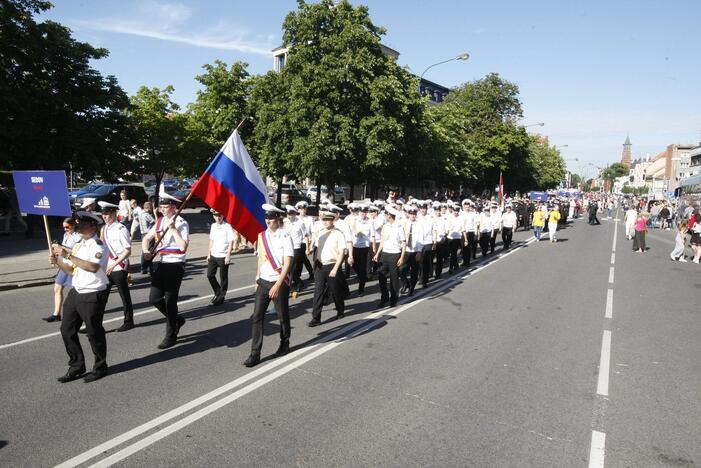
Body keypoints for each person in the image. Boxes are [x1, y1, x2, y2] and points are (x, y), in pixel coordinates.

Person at [51, 211, 110, 383]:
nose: (77, 225)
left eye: (81, 223)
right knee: (66, 330)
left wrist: (68, 255)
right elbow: (70, 270)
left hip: (93, 292)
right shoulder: (78, 245)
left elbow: (92, 267)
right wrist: (58, 261)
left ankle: (100, 367)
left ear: (92, 226)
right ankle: (77, 365)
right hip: (77, 291)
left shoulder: (98, 246)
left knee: (93, 331)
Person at [245, 204, 293, 367]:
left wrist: (277, 285)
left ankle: (284, 343)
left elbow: (287, 263)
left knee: (282, 316)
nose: (268, 220)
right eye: (266, 218)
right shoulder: (261, 236)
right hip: (264, 282)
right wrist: (257, 279)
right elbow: (261, 259)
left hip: (279, 282)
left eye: (271, 218)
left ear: (278, 219)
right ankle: (255, 353)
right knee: (257, 317)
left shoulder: (285, 236)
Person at [141, 192, 189, 349]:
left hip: (175, 265)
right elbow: (147, 238)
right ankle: (176, 319)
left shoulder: (182, 223)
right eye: (160, 206)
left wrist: (174, 229)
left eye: (165, 206)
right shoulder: (160, 221)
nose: (162, 209)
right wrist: (146, 251)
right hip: (162, 263)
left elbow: (183, 247)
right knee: (154, 298)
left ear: (174, 207)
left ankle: (171, 334)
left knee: (170, 301)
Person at [97, 201, 135, 332]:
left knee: (124, 296)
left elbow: (127, 250)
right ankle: (96, 323)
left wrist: (114, 263)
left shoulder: (121, 228)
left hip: (118, 266)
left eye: (107, 214)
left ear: (114, 213)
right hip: (107, 267)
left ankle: (129, 321)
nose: (104, 216)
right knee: (101, 298)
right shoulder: (104, 228)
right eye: (103, 214)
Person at [308, 209, 346, 326]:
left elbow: (341, 252)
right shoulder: (320, 232)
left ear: (332, 220)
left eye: (328, 220)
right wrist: (310, 249)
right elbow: (316, 246)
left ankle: (340, 310)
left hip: (332, 265)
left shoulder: (338, 233)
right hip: (320, 265)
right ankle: (316, 318)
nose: (325, 222)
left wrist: (335, 268)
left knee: (335, 291)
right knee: (318, 292)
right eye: (323, 219)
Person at [44, 217, 81, 322]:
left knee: (77, 291)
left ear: (73, 225)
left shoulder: (78, 236)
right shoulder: (66, 235)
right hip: (64, 265)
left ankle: (80, 311)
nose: (65, 229)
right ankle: (56, 314)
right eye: (63, 227)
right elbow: (63, 250)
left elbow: (76, 251)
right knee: (57, 288)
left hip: (74, 266)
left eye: (67, 227)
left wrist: (61, 247)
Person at [373, 206, 406, 308]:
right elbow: (382, 241)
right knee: (381, 276)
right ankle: (385, 297)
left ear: (389, 216)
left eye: (385, 215)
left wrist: (401, 257)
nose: (384, 216)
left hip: (394, 254)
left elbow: (404, 243)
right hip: (385, 254)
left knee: (394, 278)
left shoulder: (399, 227)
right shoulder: (385, 226)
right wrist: (378, 253)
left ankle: (393, 299)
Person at [207, 209, 235, 306]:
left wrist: (228, 256)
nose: (218, 218)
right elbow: (211, 240)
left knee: (223, 278)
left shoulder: (227, 227)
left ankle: (221, 297)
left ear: (223, 216)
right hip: (214, 254)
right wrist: (208, 253)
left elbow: (231, 242)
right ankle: (218, 291)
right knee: (210, 275)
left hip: (223, 256)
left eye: (220, 216)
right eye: (216, 216)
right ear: (213, 216)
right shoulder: (213, 226)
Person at [284, 205, 308, 293]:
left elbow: (305, 235)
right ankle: (299, 282)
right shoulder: (284, 222)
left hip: (296, 247)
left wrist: (307, 248)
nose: (289, 216)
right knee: (288, 268)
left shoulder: (300, 223)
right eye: (288, 214)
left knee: (290, 267)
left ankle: (290, 286)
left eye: (291, 214)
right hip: (287, 247)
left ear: (295, 214)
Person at [350, 204, 374, 296]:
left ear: (366, 213)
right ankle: (361, 276)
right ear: (359, 212)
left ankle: (361, 289)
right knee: (354, 265)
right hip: (356, 246)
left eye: (364, 212)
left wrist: (373, 247)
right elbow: (350, 233)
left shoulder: (370, 221)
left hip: (366, 247)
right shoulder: (354, 221)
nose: (363, 214)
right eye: (361, 212)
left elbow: (372, 235)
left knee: (363, 268)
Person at [400, 205, 423, 296]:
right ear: (408, 214)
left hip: (415, 251)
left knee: (414, 271)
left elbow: (421, 239)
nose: (413, 216)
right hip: (405, 250)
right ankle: (406, 283)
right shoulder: (404, 223)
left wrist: (419, 251)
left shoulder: (419, 224)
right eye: (411, 214)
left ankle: (411, 289)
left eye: (414, 214)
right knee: (401, 270)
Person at [417, 201, 436, 287]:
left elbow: (434, 231)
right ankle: (420, 277)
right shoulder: (416, 218)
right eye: (421, 209)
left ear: (426, 209)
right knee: (419, 262)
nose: (422, 210)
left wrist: (434, 242)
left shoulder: (431, 219)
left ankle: (424, 280)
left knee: (425, 262)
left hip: (428, 242)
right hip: (418, 242)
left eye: (424, 209)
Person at [295, 201, 315, 282]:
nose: (303, 210)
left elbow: (313, 232)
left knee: (302, 258)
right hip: (297, 242)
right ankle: (309, 273)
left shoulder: (310, 219)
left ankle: (302, 274)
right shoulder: (295, 219)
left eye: (304, 209)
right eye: (301, 209)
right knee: (301, 259)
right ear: (298, 210)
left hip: (306, 241)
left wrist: (311, 245)